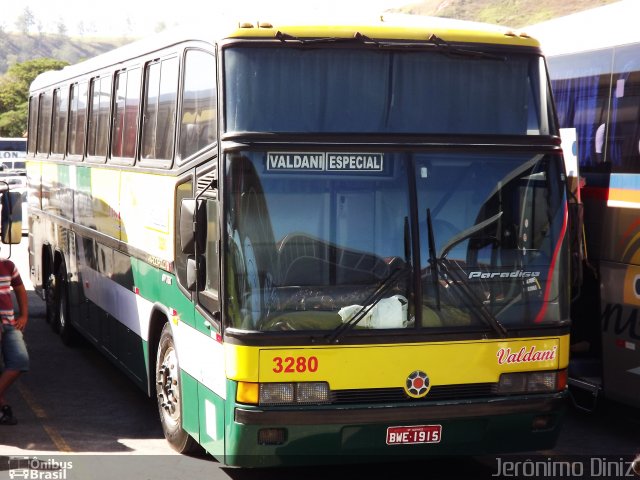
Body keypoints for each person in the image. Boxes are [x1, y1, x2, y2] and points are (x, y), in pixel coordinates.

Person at [0, 257, 28, 425]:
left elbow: (20, 289)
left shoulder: (7, 266)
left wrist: (24, 316)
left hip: (9, 324)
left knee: (20, 361)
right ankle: (4, 408)